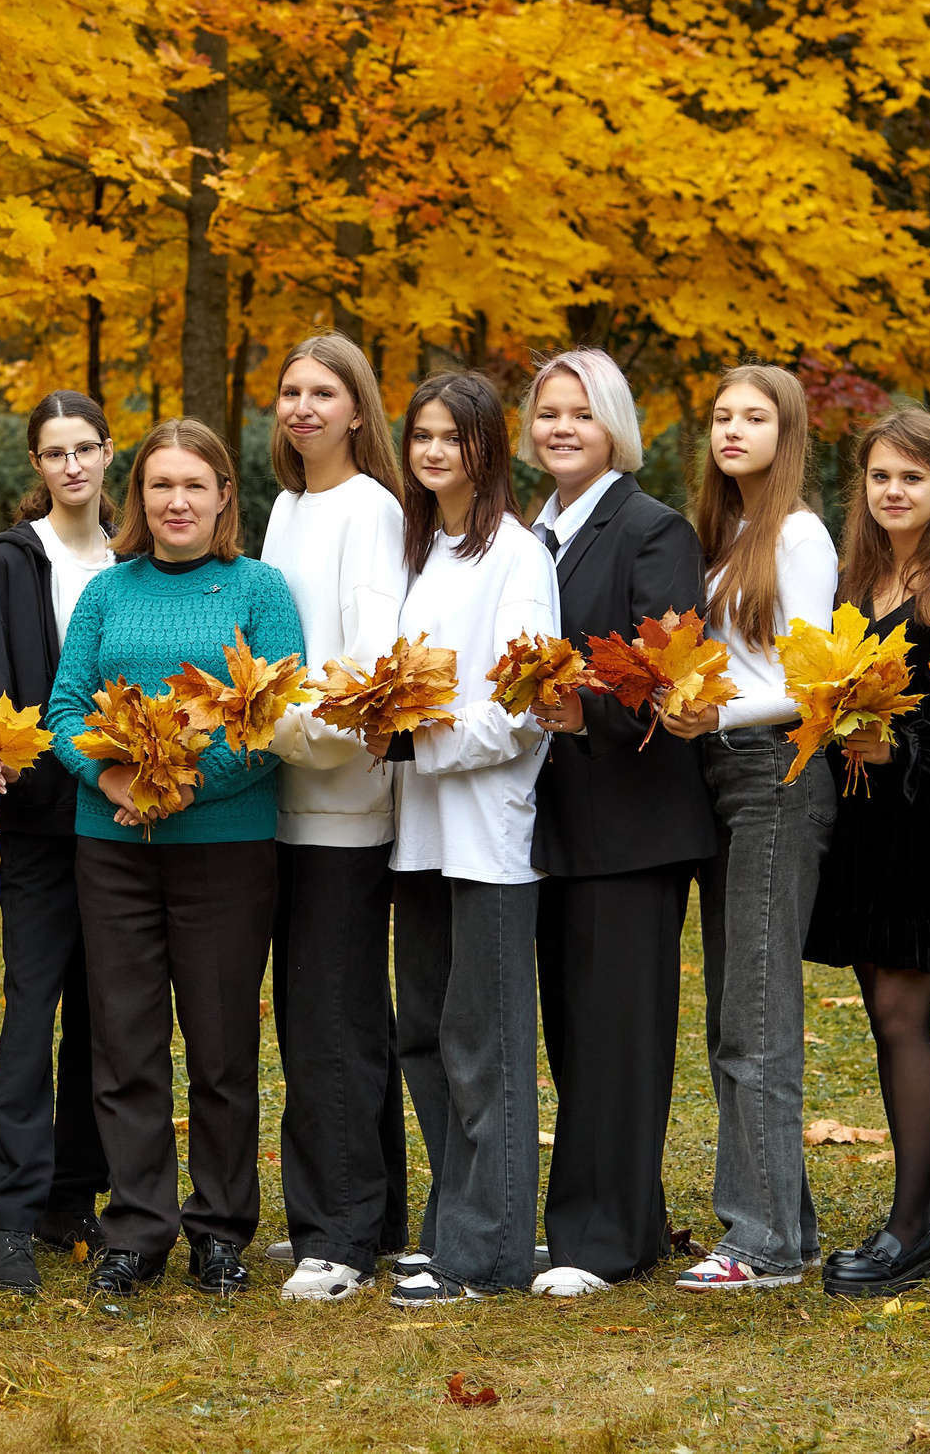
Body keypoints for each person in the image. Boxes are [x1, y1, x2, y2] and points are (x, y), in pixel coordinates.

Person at [43, 420, 305, 1300]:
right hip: (112, 847)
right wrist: (114, 777)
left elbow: (273, 716)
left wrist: (187, 787)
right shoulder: (106, 593)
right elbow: (65, 706)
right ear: (139, 497)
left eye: (196, 485)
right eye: (161, 485)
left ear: (225, 495)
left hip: (224, 847)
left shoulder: (260, 589)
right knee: (125, 1044)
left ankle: (221, 1231)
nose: (178, 501)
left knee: (222, 1047)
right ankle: (136, 1230)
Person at [801, 409, 930, 1296]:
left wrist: (900, 746)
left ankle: (912, 1231)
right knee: (882, 1012)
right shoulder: (854, 580)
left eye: (912, 478)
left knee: (901, 1015)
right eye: (881, 476)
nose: (894, 491)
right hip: (865, 826)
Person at [519, 348, 714, 1299]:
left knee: (616, 1037)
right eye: (549, 412)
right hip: (551, 818)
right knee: (573, 1030)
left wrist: (578, 711)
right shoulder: (530, 534)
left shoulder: (652, 529)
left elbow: (666, 672)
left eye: (582, 413)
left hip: (631, 821)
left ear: (615, 428)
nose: (562, 428)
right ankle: (621, 1217)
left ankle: (600, 1242)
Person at [385, 372, 560, 1308]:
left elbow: (523, 705)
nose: (434, 451)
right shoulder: (426, 551)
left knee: (482, 1044)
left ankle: (488, 1252)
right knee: (423, 1034)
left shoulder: (517, 557)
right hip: (418, 831)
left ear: (489, 448)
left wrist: (419, 739)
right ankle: (457, 1223)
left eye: (453, 437)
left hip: (489, 835)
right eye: (422, 435)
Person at [667, 363, 838, 1292]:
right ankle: (785, 1223)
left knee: (757, 1014)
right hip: (718, 776)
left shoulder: (798, 536)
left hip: (776, 773)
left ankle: (763, 1243)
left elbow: (811, 685)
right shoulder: (719, 535)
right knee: (735, 1006)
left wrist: (719, 715)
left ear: (788, 433)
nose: (733, 430)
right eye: (722, 416)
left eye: (755, 418)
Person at [258, 335, 412, 1302]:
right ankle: (365, 1213)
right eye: (290, 391)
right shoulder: (288, 507)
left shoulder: (372, 509)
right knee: (324, 1014)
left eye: (325, 392)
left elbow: (365, 670)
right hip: (284, 796)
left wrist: (263, 728)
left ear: (359, 410)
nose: (303, 407)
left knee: (333, 1022)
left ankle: (343, 1238)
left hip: (342, 799)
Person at [0, 390, 117, 1295]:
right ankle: (11, 1217)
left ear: (107, 453)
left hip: (119, 818)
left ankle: (73, 1197)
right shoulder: (15, 558)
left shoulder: (131, 556)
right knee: (32, 1013)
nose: (71, 465)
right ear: (38, 464)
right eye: (55, 452)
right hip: (37, 821)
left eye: (84, 448)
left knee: (104, 1017)